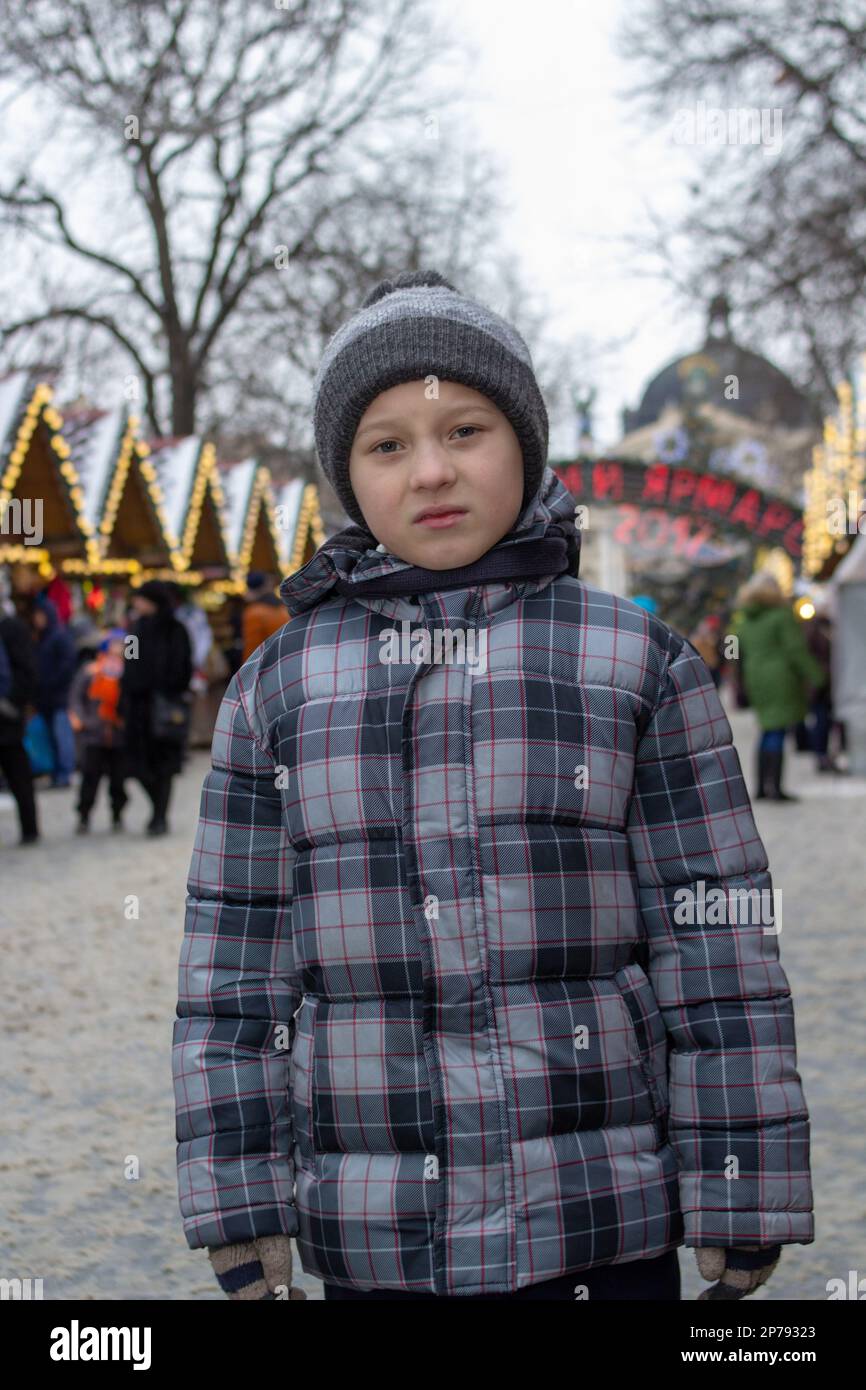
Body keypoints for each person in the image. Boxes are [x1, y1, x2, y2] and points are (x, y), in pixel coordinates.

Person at [172, 270, 813, 1302]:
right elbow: (231, 976)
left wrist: (739, 1183)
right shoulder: (275, 690)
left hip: (598, 1222)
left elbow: (716, 947)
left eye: (464, 429)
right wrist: (241, 1202)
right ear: (348, 472)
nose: (430, 470)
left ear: (523, 441)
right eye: (386, 444)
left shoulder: (638, 664)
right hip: (377, 1237)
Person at [732, 573, 823, 801]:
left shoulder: (743, 618)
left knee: (766, 728)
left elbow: (731, 647)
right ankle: (775, 788)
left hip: (755, 676)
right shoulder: (781, 615)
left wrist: (736, 677)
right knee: (777, 730)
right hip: (780, 676)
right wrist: (817, 676)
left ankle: (762, 786)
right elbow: (795, 649)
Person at [120, 580, 192, 836]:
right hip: (138, 709)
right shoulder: (134, 631)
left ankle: (160, 816)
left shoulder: (176, 630)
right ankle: (157, 810)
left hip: (165, 708)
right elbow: (128, 667)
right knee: (139, 766)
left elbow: (183, 667)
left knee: (164, 766)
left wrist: (164, 687)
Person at [68, 629, 128, 833]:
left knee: (118, 780)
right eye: (115, 644)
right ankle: (84, 815)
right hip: (94, 733)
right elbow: (76, 697)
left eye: (122, 644)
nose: (118, 648)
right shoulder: (91, 670)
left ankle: (117, 814)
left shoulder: (128, 671)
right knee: (90, 778)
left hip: (118, 734)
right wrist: (81, 719)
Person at [0, 606, 40, 844]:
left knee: (18, 774)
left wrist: (13, 703)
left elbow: (29, 669)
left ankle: (29, 827)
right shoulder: (135, 631)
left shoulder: (131, 633)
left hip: (8, 715)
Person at [30, 593, 78, 788]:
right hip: (45, 698)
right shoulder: (42, 638)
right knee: (51, 737)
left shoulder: (59, 636)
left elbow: (67, 666)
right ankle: (56, 771)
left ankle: (64, 773)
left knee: (62, 736)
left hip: (58, 697)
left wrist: (53, 682)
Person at [240, 571, 287, 662]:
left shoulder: (254, 612)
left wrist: (246, 672)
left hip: (266, 665)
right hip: (287, 660)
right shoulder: (285, 609)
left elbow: (251, 648)